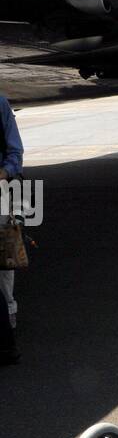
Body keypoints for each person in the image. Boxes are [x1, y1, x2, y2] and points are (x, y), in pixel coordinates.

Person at [0, 93, 24, 365]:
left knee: (5, 260)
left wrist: (5, 172)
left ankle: (9, 311)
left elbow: (15, 150)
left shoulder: (0, 104)